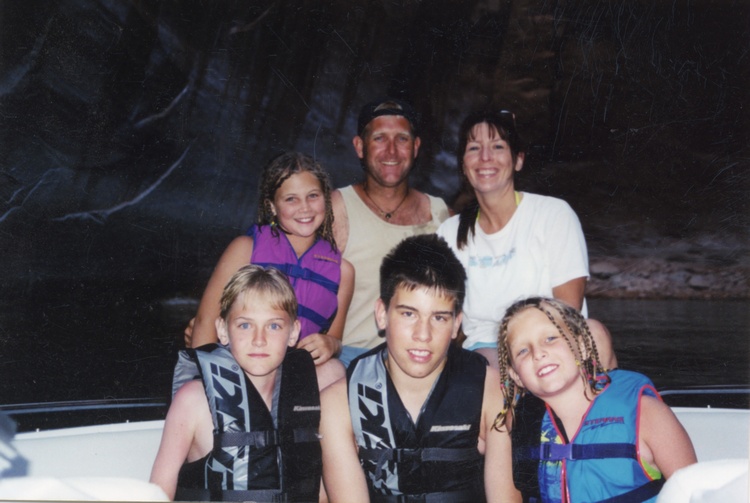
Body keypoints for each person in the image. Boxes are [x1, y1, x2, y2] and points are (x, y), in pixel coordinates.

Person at [319, 234, 519, 502]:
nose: (422, 334)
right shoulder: (338, 402)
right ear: (382, 314)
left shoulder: (489, 388)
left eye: (438, 317)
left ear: (456, 324)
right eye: (408, 314)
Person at [436, 109, 616, 369]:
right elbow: (442, 314)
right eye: (474, 148)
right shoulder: (449, 233)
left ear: (518, 160)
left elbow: (569, 310)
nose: (486, 157)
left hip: (553, 342)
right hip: (486, 351)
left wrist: (527, 355)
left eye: (498, 146)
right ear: (463, 165)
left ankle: (602, 408)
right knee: (483, 366)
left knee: (596, 333)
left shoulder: (553, 214)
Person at [494, 297, 697, 503]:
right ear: (516, 375)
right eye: (523, 351)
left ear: (581, 347)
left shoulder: (646, 414)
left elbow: (695, 494)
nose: (538, 353)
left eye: (550, 338)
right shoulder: (520, 424)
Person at [151, 265, 323, 501]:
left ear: (293, 333)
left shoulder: (309, 395)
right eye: (245, 325)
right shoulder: (192, 401)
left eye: (274, 326)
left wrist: (335, 344)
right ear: (222, 330)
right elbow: (157, 492)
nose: (259, 340)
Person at [184, 151, 353, 389]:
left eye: (313, 196)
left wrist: (331, 345)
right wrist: (203, 386)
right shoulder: (244, 249)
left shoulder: (343, 272)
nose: (304, 208)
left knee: (335, 371)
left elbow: (335, 339)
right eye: (291, 199)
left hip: (293, 379)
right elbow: (204, 322)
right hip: (239, 372)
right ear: (272, 206)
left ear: (326, 199)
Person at [331, 97, 450, 366]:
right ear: (360, 147)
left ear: (416, 146)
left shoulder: (441, 215)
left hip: (420, 361)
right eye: (380, 139)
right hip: (349, 359)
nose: (392, 151)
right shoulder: (337, 208)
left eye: (402, 139)